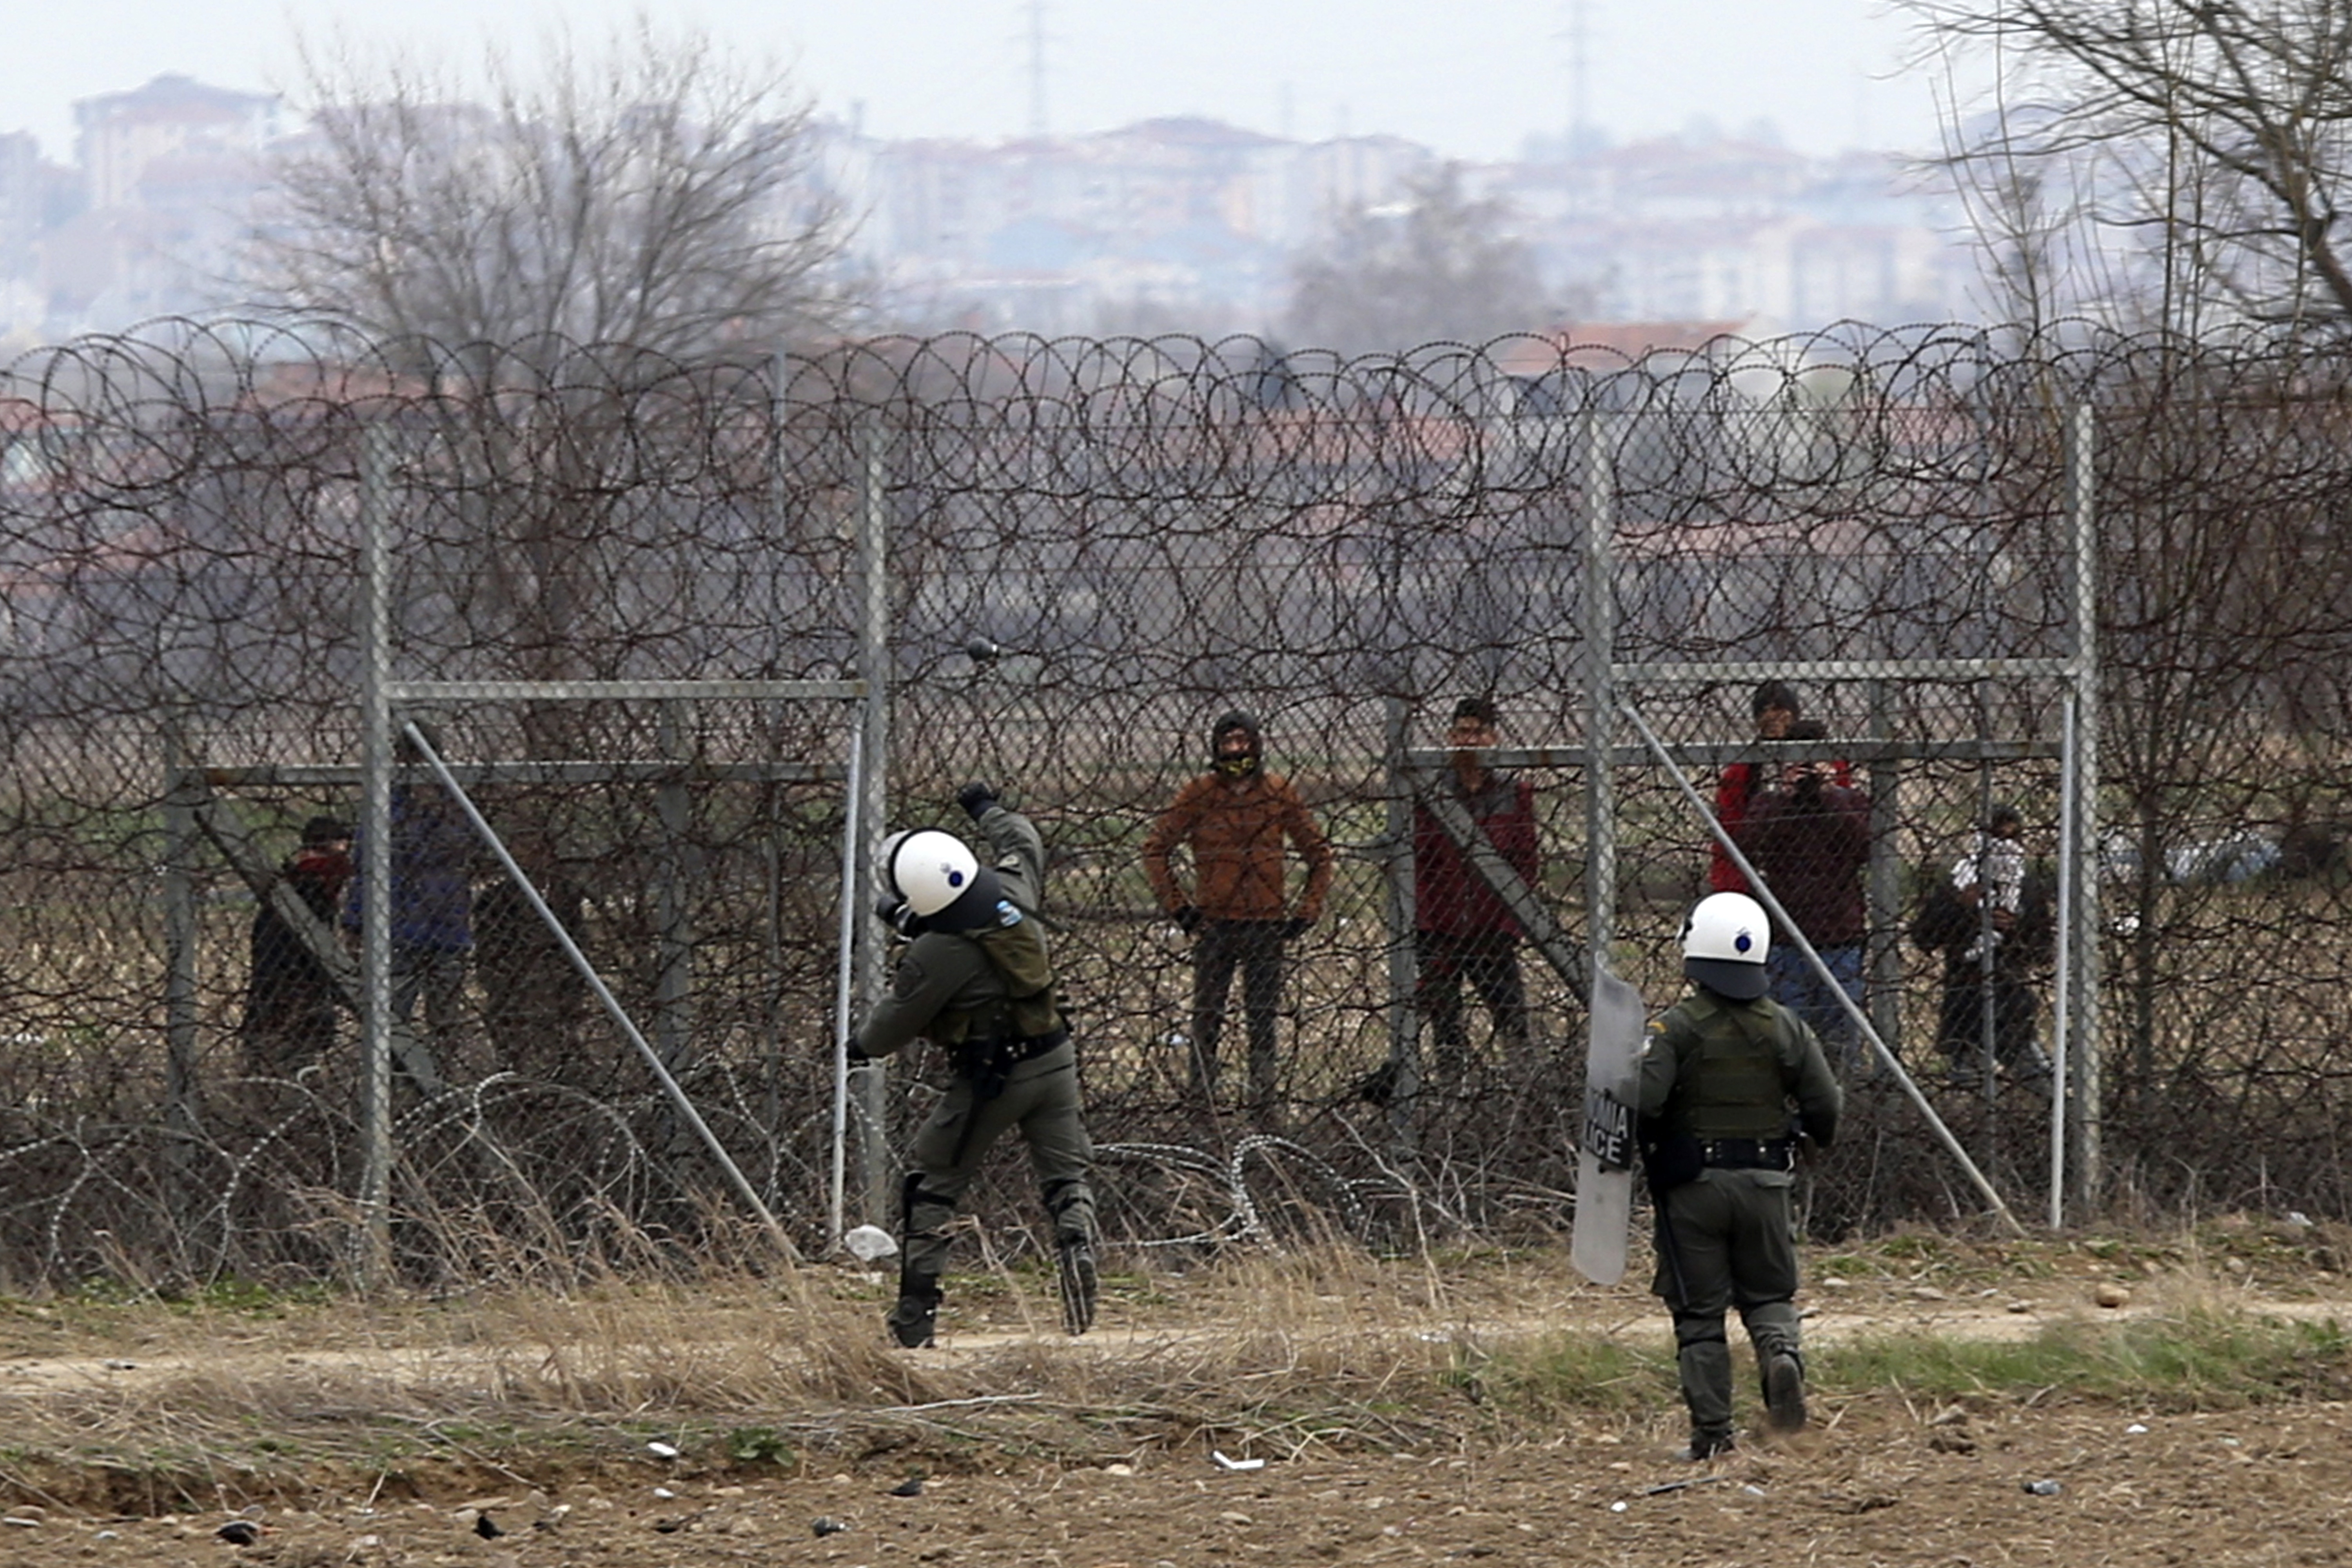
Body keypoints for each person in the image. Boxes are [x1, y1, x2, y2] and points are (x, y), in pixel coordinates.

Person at [853, 782, 1098, 1349]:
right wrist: (986, 808)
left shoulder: (936, 954)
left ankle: (916, 1314)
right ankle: (1078, 1246)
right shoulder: (1014, 887)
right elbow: (1022, 840)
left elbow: (891, 1025)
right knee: (1065, 1174)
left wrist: (857, 1048)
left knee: (932, 1179)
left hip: (993, 1079)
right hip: (1055, 1061)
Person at [1638, 891, 1843, 1461]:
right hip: (1767, 1183)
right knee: (1770, 1295)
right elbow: (1826, 1105)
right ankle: (1780, 1356)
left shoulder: (1677, 1027)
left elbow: (1644, 1101)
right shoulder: (1787, 1029)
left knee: (1700, 1314)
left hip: (1696, 1189)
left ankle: (1713, 1437)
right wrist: (1807, 1136)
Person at [1143, 711, 1334, 1117]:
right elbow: (1156, 848)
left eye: (1243, 742)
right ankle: (1202, 1105)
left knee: (1262, 1020)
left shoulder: (1278, 792)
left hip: (1266, 924)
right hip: (1214, 924)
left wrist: (1307, 909)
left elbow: (1318, 853)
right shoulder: (1199, 794)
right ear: (1215, 747)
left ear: (1257, 744)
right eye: (1228, 743)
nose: (1236, 751)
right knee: (1207, 1018)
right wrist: (1179, 908)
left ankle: (1264, 1108)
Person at [1412, 696, 1538, 1073]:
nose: (1470, 740)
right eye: (1462, 732)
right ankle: (1453, 1097)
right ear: (1450, 737)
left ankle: (1526, 1093)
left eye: (1478, 732)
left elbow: (1525, 864)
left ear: (1493, 738)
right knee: (1446, 1025)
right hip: (1441, 928)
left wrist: (1509, 927)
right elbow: (1419, 865)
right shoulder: (1431, 792)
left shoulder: (1513, 794)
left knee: (1512, 1018)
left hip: (1491, 929)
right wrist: (1427, 928)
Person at [1738, 719, 1872, 1074]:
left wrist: (1827, 795)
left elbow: (1864, 847)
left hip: (1838, 937)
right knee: (1785, 1044)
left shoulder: (1851, 800)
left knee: (1841, 1044)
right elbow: (1749, 846)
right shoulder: (1769, 802)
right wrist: (1786, 797)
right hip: (1785, 939)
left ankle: (1846, 1112)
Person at [341, 753, 476, 1071]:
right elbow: (366, 867)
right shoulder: (387, 807)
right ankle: (399, 1086)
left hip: (444, 930)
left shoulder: (454, 807)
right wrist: (355, 921)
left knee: (445, 1022)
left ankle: (442, 1083)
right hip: (400, 930)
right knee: (393, 1022)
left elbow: (470, 849)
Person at [1926, 803, 2053, 1086]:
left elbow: (2043, 949)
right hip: (1964, 996)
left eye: (2011, 840)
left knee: (2035, 1074)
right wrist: (1961, 908)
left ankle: (2053, 1112)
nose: (2003, 849)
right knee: (1969, 1081)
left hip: (2009, 996)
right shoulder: (1958, 882)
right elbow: (1924, 936)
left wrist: (2017, 927)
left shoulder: (2028, 885)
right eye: (1996, 839)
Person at [240, 815, 353, 1079]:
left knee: (283, 1057)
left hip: (284, 991)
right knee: (292, 1057)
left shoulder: (295, 886)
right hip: (294, 988)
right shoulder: (306, 888)